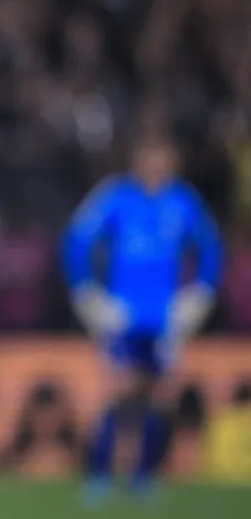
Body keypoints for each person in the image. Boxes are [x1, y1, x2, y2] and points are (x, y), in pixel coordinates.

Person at [62, 131, 222, 503]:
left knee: (158, 396)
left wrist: (200, 293)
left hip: (165, 318)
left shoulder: (183, 201)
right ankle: (99, 475)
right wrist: (87, 292)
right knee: (119, 390)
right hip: (122, 316)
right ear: (136, 159)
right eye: (149, 155)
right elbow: (77, 241)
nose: (156, 163)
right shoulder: (116, 197)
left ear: (173, 161)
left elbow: (210, 248)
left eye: (162, 156)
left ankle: (143, 477)